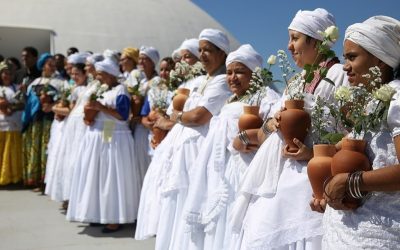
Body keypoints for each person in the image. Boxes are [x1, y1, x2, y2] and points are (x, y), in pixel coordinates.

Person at [229, 8, 348, 249]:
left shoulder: (339, 75)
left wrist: (311, 153)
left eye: (295, 38)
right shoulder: (295, 80)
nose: (290, 46)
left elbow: (351, 135)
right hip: (279, 170)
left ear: (316, 40)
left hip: (312, 176)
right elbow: (267, 129)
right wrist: (272, 123)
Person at [182, 44, 280, 249]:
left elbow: (273, 128)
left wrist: (244, 138)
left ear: (254, 74)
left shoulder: (266, 96)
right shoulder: (230, 99)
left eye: (240, 72)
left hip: (244, 169)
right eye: (229, 72)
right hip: (223, 169)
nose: (233, 77)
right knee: (219, 221)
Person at [314, 16, 400, 249]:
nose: (345, 66)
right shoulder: (371, 102)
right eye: (345, 58)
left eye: (352, 57)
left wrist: (350, 183)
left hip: (379, 234)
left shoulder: (396, 98)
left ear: (380, 61)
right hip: (347, 233)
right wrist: (329, 191)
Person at [154, 28, 232, 250]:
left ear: (222, 53)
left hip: (201, 153)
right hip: (184, 151)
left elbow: (199, 116)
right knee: (178, 203)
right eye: (200, 50)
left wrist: (179, 116)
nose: (202, 54)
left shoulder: (222, 81)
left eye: (208, 50)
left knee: (193, 202)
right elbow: (177, 111)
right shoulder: (199, 80)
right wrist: (181, 116)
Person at [66, 58, 141, 233]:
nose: (97, 77)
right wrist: (90, 115)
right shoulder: (102, 89)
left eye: (100, 74)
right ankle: (99, 213)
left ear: (109, 74)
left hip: (115, 136)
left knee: (112, 176)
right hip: (99, 135)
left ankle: (115, 217)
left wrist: (101, 108)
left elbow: (122, 115)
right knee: (98, 176)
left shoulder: (121, 90)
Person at [21, 53, 66, 191]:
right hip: (36, 120)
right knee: (36, 147)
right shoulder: (34, 83)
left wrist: (52, 103)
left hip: (50, 119)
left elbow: (64, 100)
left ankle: (47, 181)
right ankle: (36, 180)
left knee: (48, 148)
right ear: (42, 66)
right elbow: (29, 103)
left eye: (53, 65)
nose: (52, 67)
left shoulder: (61, 82)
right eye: (49, 65)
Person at [132, 46, 161, 184]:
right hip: (139, 125)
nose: (141, 62)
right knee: (138, 163)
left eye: (145, 59)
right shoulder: (140, 82)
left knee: (148, 162)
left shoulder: (158, 81)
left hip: (149, 126)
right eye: (140, 59)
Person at [0, 61, 24, 185]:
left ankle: (13, 176)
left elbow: (22, 103)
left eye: (9, 73)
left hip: (14, 122)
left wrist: (11, 108)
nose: (7, 76)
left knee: (11, 149)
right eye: (4, 73)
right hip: (1, 122)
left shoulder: (18, 87)